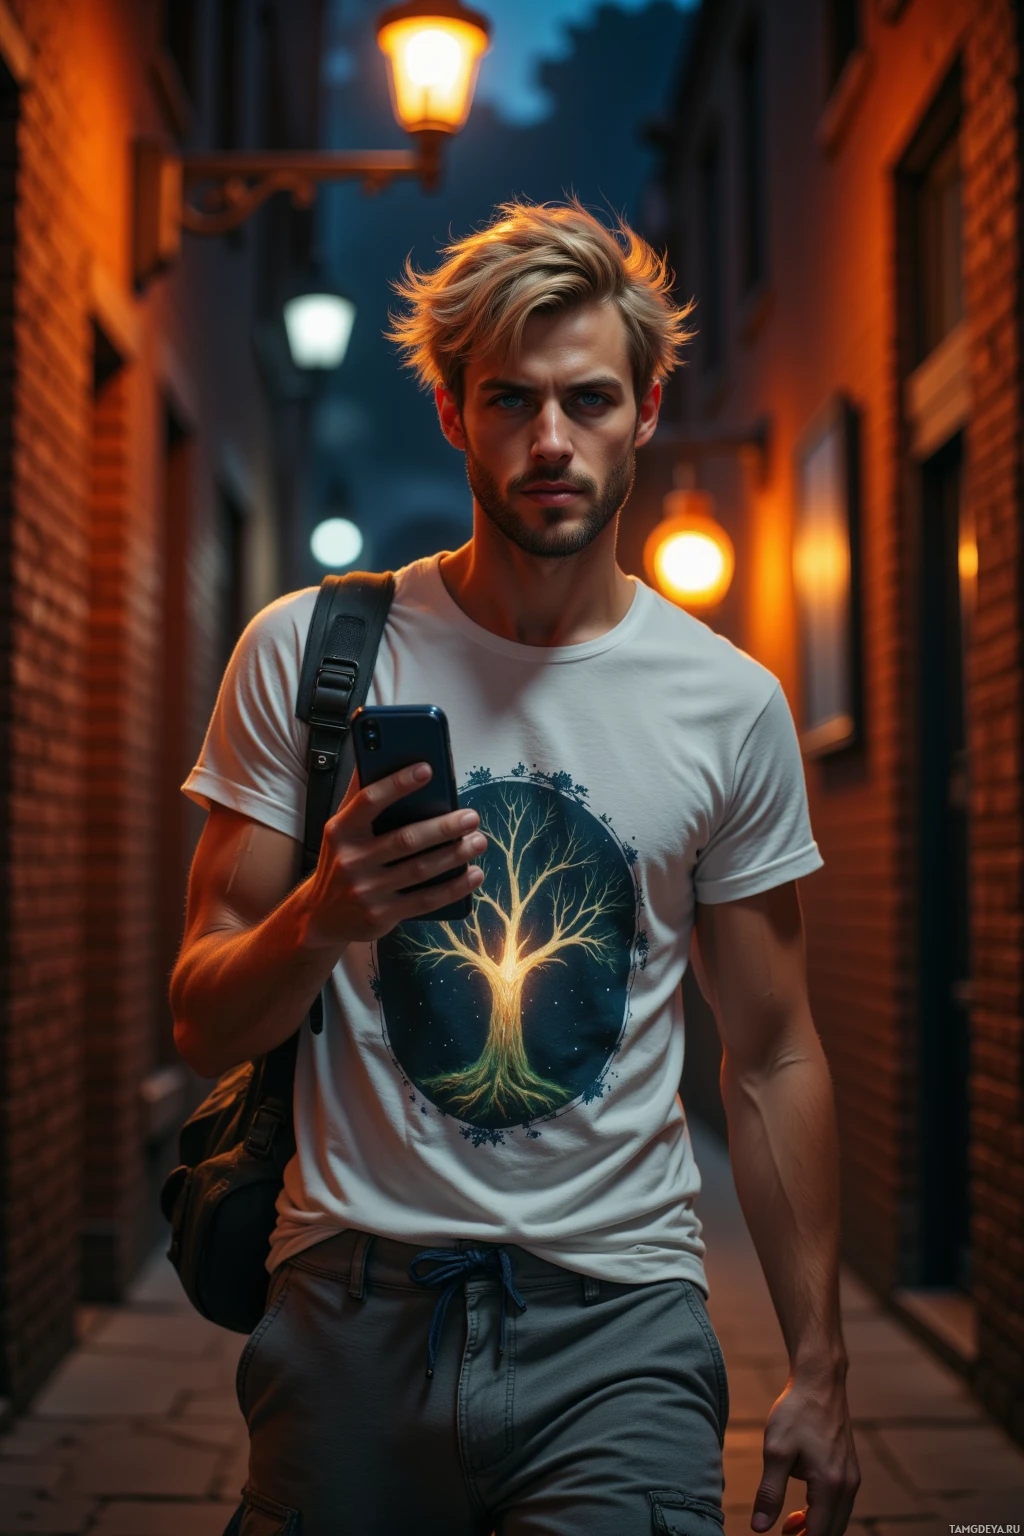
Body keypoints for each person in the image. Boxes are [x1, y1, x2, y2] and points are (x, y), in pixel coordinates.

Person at [172, 200, 860, 1536]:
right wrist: (324, 914)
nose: (552, 443)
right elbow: (201, 1018)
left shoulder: (729, 705)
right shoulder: (311, 657)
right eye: (510, 402)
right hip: (348, 1309)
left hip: (622, 1327)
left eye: (590, 400)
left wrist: (822, 1372)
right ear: (452, 412)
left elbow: (773, 1054)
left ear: (649, 409)